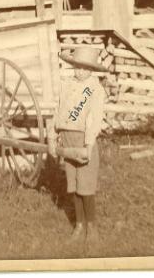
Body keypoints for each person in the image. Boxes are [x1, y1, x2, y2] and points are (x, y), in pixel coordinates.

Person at [52, 46, 107, 245]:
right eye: (77, 67)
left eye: (85, 68)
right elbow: (58, 110)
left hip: (84, 140)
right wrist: (53, 136)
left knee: (86, 186)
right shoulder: (66, 85)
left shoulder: (94, 89)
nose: (80, 72)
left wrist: (88, 145)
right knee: (74, 185)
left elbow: (94, 118)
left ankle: (91, 226)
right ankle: (79, 225)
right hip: (67, 138)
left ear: (91, 70)